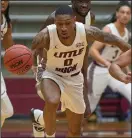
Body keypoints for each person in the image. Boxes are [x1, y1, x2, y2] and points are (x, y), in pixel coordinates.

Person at [31, 5, 130, 137]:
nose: (64, 28)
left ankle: (40, 118)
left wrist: (129, 51)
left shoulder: (87, 32)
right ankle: (48, 134)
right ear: (55, 23)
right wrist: (34, 69)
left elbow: (116, 40)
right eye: (60, 24)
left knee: (75, 130)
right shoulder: (46, 35)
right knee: (53, 100)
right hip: (52, 74)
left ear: (74, 20)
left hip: (74, 77)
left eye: (67, 23)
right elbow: (32, 51)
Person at [31, 0, 95, 137]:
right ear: (73, 1)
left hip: (72, 68)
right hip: (51, 68)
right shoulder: (54, 18)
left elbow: (84, 50)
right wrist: (38, 68)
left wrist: (85, 84)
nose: (84, 5)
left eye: (87, 1)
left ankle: (40, 118)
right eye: (80, 1)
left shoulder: (90, 17)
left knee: (80, 115)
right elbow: (38, 45)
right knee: (55, 105)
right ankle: (46, 127)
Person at [87, 1, 131, 116]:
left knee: (131, 91)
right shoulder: (108, 30)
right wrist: (106, 63)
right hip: (99, 69)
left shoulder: (127, 33)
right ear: (117, 14)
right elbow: (93, 51)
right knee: (89, 107)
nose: (125, 15)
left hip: (115, 70)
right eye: (122, 12)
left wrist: (127, 71)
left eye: (128, 13)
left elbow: (123, 57)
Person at [1, 0, 14, 128]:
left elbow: (10, 50)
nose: (2, 2)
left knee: (7, 111)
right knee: (6, 110)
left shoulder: (6, 22)